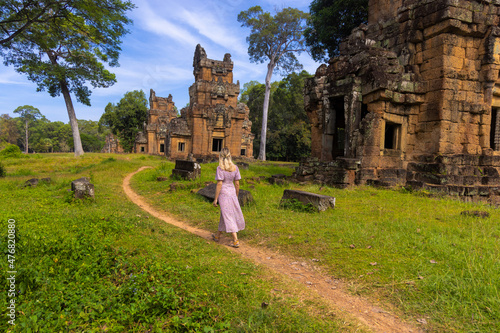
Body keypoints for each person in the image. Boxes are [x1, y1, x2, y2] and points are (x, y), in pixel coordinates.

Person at [212, 148, 245, 248]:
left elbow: (219, 184)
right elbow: (237, 183)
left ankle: (235, 240)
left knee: (228, 216)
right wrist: (236, 194)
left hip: (224, 194)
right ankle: (217, 236)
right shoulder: (235, 168)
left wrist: (215, 199)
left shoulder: (220, 168)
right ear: (230, 156)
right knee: (225, 214)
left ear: (220, 156)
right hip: (232, 193)